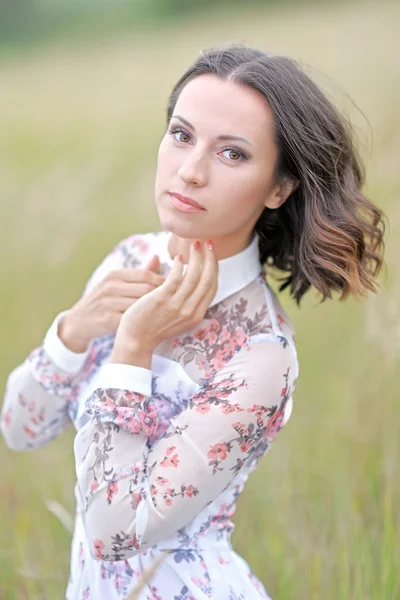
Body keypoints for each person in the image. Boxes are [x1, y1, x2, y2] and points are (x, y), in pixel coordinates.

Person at [1, 43, 386, 600]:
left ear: (279, 188)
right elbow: (19, 427)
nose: (190, 171)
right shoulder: (130, 259)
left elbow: (115, 531)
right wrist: (74, 330)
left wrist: (131, 347)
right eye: (182, 135)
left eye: (231, 154)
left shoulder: (261, 353)